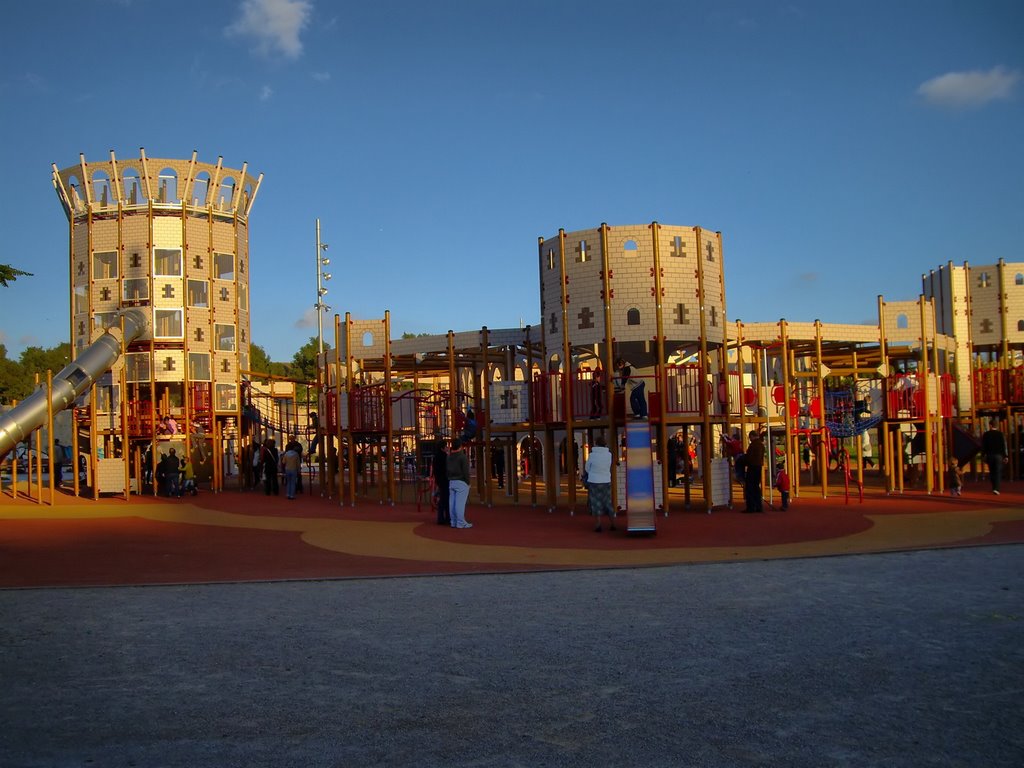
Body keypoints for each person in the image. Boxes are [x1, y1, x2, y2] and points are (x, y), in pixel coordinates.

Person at [585, 435, 615, 532]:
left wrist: (593, 473)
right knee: (608, 502)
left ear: (596, 443)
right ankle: (613, 523)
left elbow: (587, 468)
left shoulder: (592, 455)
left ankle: (598, 524)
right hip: (606, 480)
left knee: (596, 503)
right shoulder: (609, 454)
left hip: (594, 481)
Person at [446, 438, 472, 529]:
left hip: (451, 481)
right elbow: (465, 471)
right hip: (461, 481)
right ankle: (460, 522)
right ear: (460, 446)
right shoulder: (462, 457)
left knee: (452, 503)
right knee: (460, 504)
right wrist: (468, 482)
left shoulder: (449, 457)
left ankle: (453, 521)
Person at [981, 423, 1008, 495]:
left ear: (990, 425)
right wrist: (1005, 456)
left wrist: (983, 455)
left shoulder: (986, 434)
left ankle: (994, 487)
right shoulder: (1000, 434)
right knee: (997, 472)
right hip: (999, 455)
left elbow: (984, 446)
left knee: (992, 471)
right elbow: (1003, 446)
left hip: (990, 455)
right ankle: (997, 488)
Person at [743, 431, 765, 512]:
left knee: (749, 487)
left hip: (752, 467)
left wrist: (744, 460)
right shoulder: (761, 445)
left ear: (752, 436)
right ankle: (758, 506)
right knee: (756, 486)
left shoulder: (753, 445)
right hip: (758, 467)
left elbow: (749, 457)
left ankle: (751, 507)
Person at [432, 442, 450, 526]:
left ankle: (441, 517)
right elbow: (447, 469)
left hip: (439, 480)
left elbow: (435, 470)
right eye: (446, 446)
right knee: (446, 499)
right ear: (442, 448)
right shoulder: (445, 457)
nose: (447, 447)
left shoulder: (436, 457)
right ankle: (447, 517)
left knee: (442, 498)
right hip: (445, 480)